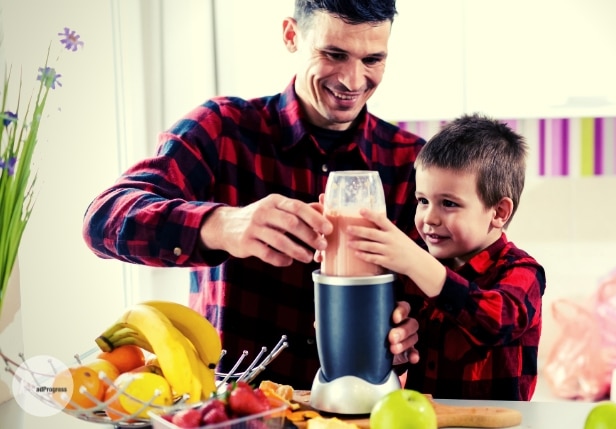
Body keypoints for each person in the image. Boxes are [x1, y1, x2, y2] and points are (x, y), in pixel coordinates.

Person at [82, 0, 423, 389]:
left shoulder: (412, 162)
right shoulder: (222, 129)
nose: (353, 80)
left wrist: (411, 327)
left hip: (363, 411)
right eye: (334, 54)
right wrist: (222, 225)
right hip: (232, 409)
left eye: (373, 60)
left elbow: (445, 292)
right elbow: (103, 220)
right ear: (292, 35)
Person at [346, 113, 546, 400]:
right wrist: (395, 344)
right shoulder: (417, 273)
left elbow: (496, 323)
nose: (429, 217)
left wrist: (417, 262)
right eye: (423, 201)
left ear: (499, 212)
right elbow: (398, 348)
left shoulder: (522, 271)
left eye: (448, 204)